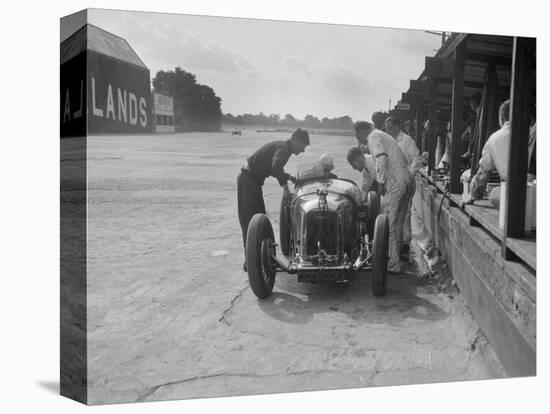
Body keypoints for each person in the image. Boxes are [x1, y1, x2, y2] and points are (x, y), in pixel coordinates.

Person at [238, 128, 310, 271]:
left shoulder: (282, 147)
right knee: (251, 221)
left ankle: (257, 258)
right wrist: (285, 187)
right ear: (295, 140)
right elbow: (276, 167)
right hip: (248, 181)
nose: (303, 150)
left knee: (260, 219)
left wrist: (289, 177)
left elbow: (272, 167)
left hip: (252, 181)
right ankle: (251, 261)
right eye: (303, 145)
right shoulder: (283, 149)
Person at [353, 121, 411, 273]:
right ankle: (396, 259)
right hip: (405, 178)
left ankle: (393, 265)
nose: (358, 138)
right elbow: (403, 157)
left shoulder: (373, 137)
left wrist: (380, 181)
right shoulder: (383, 135)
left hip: (394, 182)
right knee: (397, 224)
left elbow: (381, 158)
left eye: (357, 134)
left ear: (363, 131)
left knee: (387, 225)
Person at [465, 100, 510, 204]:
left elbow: (483, 173)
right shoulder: (532, 132)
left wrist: (471, 196)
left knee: (494, 194)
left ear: (501, 118)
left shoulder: (494, 139)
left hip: (515, 194)